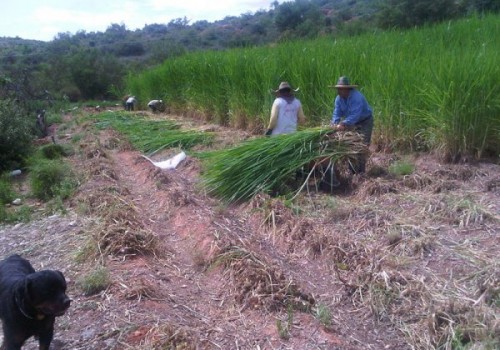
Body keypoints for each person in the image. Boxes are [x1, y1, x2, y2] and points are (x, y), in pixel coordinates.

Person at [330, 76, 373, 173]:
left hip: (364, 121)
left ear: (347, 89)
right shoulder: (338, 99)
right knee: (351, 145)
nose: (339, 91)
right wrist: (334, 124)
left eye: (341, 89)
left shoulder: (356, 98)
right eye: (338, 89)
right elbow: (336, 113)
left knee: (362, 145)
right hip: (351, 122)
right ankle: (352, 171)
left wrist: (343, 124)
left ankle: (361, 172)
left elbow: (355, 116)